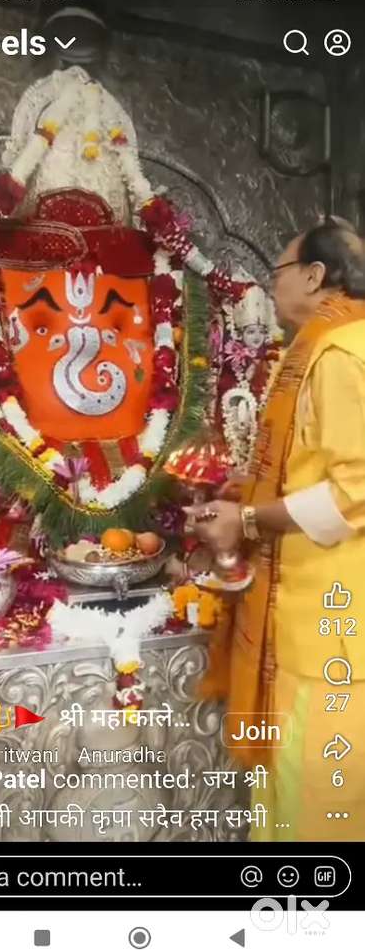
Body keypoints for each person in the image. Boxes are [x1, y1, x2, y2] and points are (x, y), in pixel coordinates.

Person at [185, 216, 365, 840]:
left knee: (315, 816)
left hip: (329, 635)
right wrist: (252, 488)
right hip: (309, 623)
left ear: (315, 275)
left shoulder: (339, 355)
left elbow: (353, 493)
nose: (272, 283)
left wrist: (249, 518)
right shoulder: (326, 344)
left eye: (279, 270)